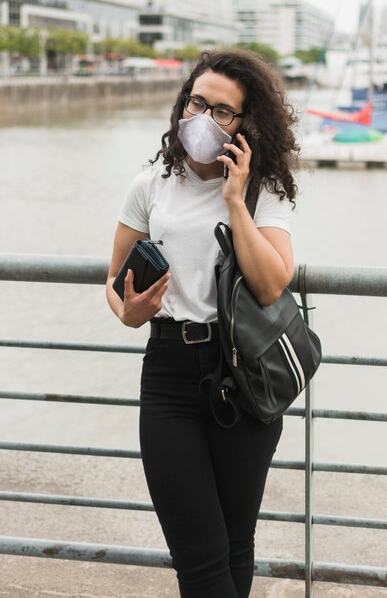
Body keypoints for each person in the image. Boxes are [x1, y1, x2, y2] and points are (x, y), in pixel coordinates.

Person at [106, 48, 299, 598]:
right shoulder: (150, 185)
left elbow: (270, 284)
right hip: (168, 372)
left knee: (236, 545)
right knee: (198, 557)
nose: (205, 119)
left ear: (245, 123)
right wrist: (129, 311)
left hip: (242, 373)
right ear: (182, 103)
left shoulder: (264, 190)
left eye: (223, 111)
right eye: (198, 103)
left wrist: (236, 201)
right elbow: (115, 281)